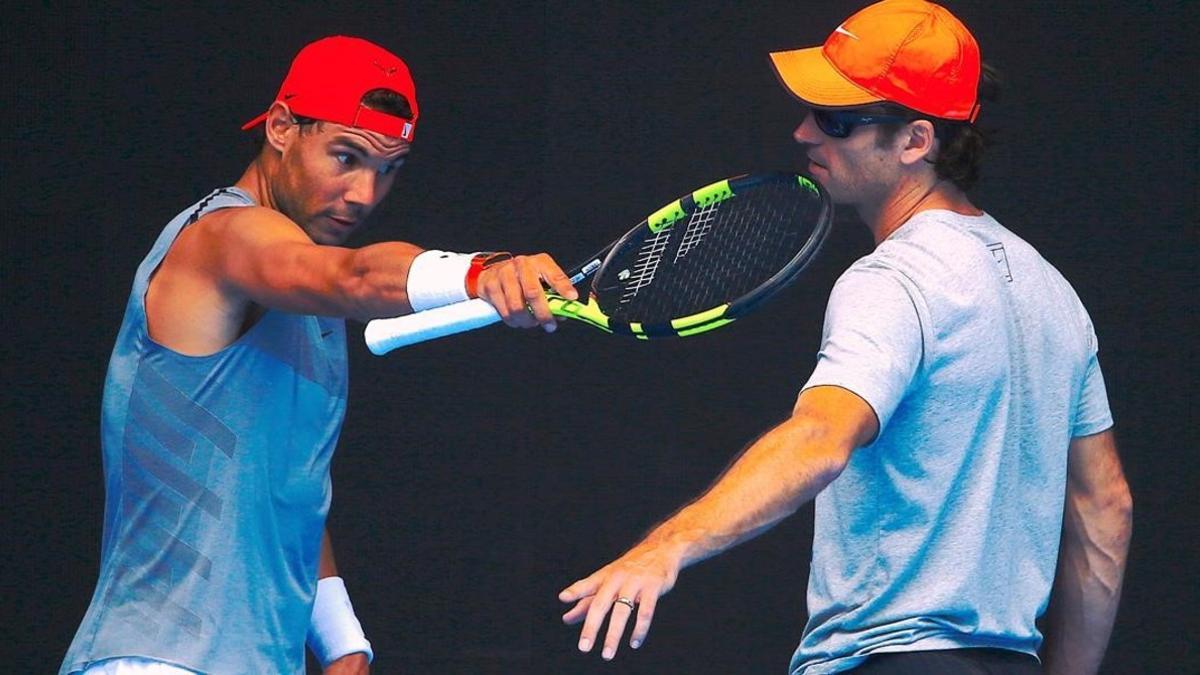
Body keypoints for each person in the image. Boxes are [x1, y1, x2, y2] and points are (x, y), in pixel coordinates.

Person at [557, 1, 1132, 673]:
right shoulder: (1054, 294)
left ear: (917, 141)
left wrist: (669, 545)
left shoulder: (890, 279)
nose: (804, 133)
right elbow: (1105, 509)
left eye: (836, 121)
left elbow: (820, 437)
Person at [61, 35, 577, 675]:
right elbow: (355, 278)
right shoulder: (223, 238)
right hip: (156, 659)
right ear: (280, 127)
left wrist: (342, 643)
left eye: (389, 169)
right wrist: (480, 272)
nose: (364, 193)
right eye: (346, 156)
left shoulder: (306, 306)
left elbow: (282, 486)